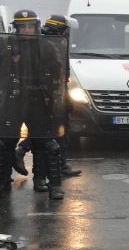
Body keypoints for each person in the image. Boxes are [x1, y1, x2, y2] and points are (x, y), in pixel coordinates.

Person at [1, 10, 66, 200]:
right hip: (13, 99)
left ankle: (47, 182)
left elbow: (57, 72)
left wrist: (53, 95)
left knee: (46, 142)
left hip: (38, 99)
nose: (27, 30)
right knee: (5, 141)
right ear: (17, 28)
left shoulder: (46, 46)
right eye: (23, 26)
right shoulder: (6, 45)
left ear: (36, 26)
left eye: (30, 26)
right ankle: (3, 179)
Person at [14, 15, 82, 181]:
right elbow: (57, 75)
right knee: (51, 131)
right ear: (62, 29)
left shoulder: (49, 41)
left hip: (47, 94)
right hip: (48, 95)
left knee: (47, 131)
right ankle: (45, 166)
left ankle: (54, 166)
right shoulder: (53, 43)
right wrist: (63, 98)